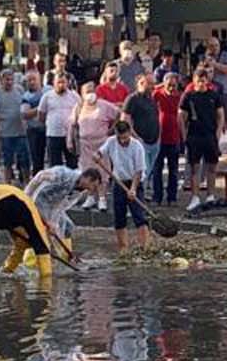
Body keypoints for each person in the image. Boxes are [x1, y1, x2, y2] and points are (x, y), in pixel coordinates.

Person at [0, 182, 60, 282]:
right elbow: (31, 208)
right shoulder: (1, 188)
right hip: (21, 206)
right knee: (38, 240)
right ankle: (46, 276)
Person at [94, 118, 151, 251]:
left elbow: (139, 170)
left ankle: (145, 247)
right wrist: (97, 155)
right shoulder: (111, 141)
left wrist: (133, 189)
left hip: (134, 182)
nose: (123, 141)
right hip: (118, 182)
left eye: (125, 138)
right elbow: (100, 152)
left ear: (130, 133)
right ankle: (123, 248)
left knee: (139, 216)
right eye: (120, 138)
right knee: (119, 217)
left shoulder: (137, 146)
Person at [25, 163, 103, 257]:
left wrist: (54, 221)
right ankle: (30, 260)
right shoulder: (64, 175)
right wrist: (26, 196)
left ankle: (66, 255)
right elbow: (40, 182)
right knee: (42, 233)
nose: (93, 189)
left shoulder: (79, 191)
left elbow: (61, 206)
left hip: (52, 207)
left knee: (67, 227)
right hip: (37, 202)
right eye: (93, 186)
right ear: (87, 178)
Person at [180, 67, 225, 214]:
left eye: (203, 80)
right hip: (194, 136)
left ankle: (210, 195)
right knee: (195, 168)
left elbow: (220, 115)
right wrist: (184, 135)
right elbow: (181, 117)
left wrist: (218, 132)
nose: (201, 83)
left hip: (210, 135)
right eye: (198, 80)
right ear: (194, 81)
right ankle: (195, 196)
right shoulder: (188, 96)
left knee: (212, 167)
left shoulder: (214, 95)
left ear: (207, 81)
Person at [123, 74, 163, 198]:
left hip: (154, 141)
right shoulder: (132, 99)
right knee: (141, 171)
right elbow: (125, 119)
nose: (153, 86)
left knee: (149, 170)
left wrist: (159, 136)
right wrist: (135, 137)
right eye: (149, 83)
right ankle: (138, 196)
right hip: (141, 141)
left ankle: (143, 194)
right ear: (141, 83)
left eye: (153, 83)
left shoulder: (151, 99)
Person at [0, 72, 30, 185]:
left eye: (11, 80)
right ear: (1, 80)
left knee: (24, 160)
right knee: (7, 161)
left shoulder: (20, 90)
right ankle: (7, 184)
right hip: (5, 132)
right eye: (7, 80)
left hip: (21, 131)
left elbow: (26, 105)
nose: (9, 82)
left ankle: (27, 183)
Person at [151, 71, 184, 205]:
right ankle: (156, 197)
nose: (171, 88)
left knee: (174, 170)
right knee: (157, 170)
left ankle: (172, 197)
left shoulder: (180, 97)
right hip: (158, 138)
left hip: (174, 138)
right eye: (169, 85)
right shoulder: (157, 94)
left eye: (174, 85)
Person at [41, 72, 79, 170]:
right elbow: (41, 114)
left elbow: (80, 113)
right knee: (54, 166)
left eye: (63, 82)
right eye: (58, 82)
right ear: (54, 83)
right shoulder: (47, 96)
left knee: (72, 164)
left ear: (67, 83)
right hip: (53, 135)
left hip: (70, 136)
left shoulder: (74, 96)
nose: (61, 85)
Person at [20, 71, 48, 175]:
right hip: (34, 130)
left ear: (39, 79)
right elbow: (25, 114)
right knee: (37, 160)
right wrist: (41, 106)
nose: (32, 82)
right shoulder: (26, 97)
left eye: (34, 79)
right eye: (29, 80)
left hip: (50, 130)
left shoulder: (48, 90)